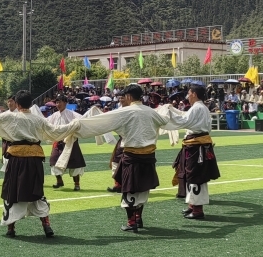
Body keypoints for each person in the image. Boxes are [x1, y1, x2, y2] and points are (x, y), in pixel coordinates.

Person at [58, 85, 183, 233]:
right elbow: (165, 120)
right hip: (148, 157)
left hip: (132, 156)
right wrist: (168, 108)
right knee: (142, 189)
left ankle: (132, 222)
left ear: (129, 96)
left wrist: (78, 126)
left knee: (129, 189)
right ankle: (137, 218)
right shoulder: (151, 112)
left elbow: (102, 122)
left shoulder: (125, 112)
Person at [0, 90, 79, 238]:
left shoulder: (11, 116)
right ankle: (46, 225)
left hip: (17, 159)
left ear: (18, 104)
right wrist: (74, 125)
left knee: (12, 191)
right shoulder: (38, 120)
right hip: (34, 160)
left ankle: (11, 228)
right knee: (36, 191)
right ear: (30, 103)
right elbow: (56, 131)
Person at [167, 85, 220, 220]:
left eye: (189, 93)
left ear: (194, 94)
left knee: (196, 175)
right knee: (191, 175)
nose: (187, 96)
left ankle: (197, 210)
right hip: (196, 145)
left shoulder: (197, 108)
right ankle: (192, 205)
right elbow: (185, 117)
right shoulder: (201, 108)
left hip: (197, 146)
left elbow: (184, 121)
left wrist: (168, 114)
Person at [47, 95, 85, 190]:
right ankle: (59, 181)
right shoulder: (54, 115)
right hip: (58, 142)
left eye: (60, 102)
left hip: (70, 142)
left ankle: (77, 184)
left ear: (65, 103)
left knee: (75, 163)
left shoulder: (72, 114)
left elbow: (82, 120)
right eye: (57, 102)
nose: (58, 104)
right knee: (53, 161)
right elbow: (46, 123)